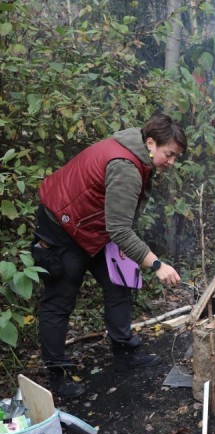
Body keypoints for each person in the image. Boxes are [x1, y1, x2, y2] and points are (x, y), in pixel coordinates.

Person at [33, 114, 187, 398]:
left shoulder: (135, 148)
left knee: (120, 283)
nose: (171, 162)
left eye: (175, 156)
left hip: (95, 226)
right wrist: (155, 263)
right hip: (62, 227)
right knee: (59, 301)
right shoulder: (126, 166)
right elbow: (119, 228)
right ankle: (57, 375)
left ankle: (125, 354)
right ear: (151, 143)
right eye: (169, 154)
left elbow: (119, 218)